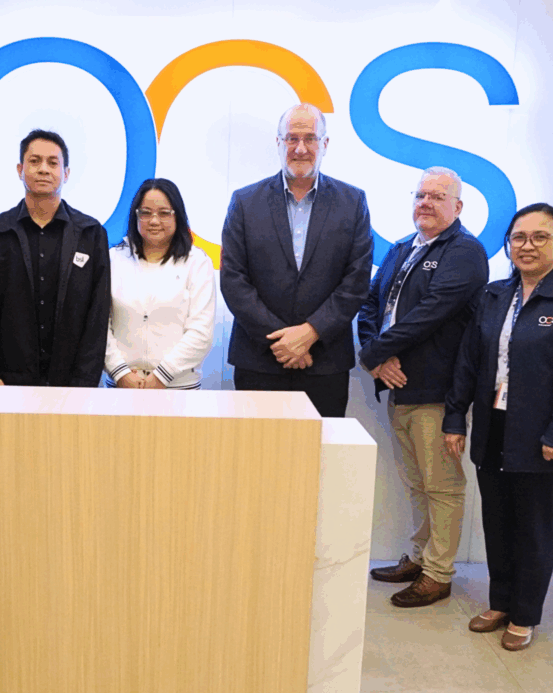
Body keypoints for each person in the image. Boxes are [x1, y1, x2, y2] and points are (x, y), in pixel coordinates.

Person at [443, 203, 553, 651]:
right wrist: (455, 417)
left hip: (544, 436)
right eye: (519, 237)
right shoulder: (494, 296)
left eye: (540, 237)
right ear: (508, 244)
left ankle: (525, 615)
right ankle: (500, 602)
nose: (527, 246)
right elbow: (469, 362)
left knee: (535, 528)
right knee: (498, 521)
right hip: (494, 428)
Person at [357, 167, 489, 607]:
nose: (426, 203)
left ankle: (438, 572)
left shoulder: (465, 252)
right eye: (421, 195)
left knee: (442, 486)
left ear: (458, 206)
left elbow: (429, 314)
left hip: (437, 390)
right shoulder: (401, 249)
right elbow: (370, 305)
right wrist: (375, 354)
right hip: (399, 388)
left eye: (437, 196)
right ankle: (420, 556)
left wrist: (376, 353)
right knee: (417, 483)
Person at [220, 103, 373, 417]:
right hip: (258, 361)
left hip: (324, 362)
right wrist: (282, 340)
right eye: (291, 138)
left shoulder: (353, 202)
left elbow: (356, 280)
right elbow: (233, 280)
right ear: (278, 143)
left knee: (320, 459)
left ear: (325, 144)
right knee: (254, 459)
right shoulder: (245, 202)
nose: (300, 148)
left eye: (310, 138)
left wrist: (310, 333)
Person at [0, 129, 110, 387]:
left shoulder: (91, 234)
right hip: (8, 383)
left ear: (65, 173)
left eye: (53, 163)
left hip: (74, 384)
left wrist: (85, 380)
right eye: (35, 161)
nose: (43, 169)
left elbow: (97, 315)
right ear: (20, 169)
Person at [104, 178, 215, 390]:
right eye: (145, 213)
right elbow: (99, 325)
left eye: (164, 213)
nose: (154, 221)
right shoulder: (113, 259)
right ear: (135, 216)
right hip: (122, 386)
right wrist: (120, 372)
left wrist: (162, 376)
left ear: (178, 216)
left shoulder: (197, 262)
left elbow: (201, 332)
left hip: (178, 388)